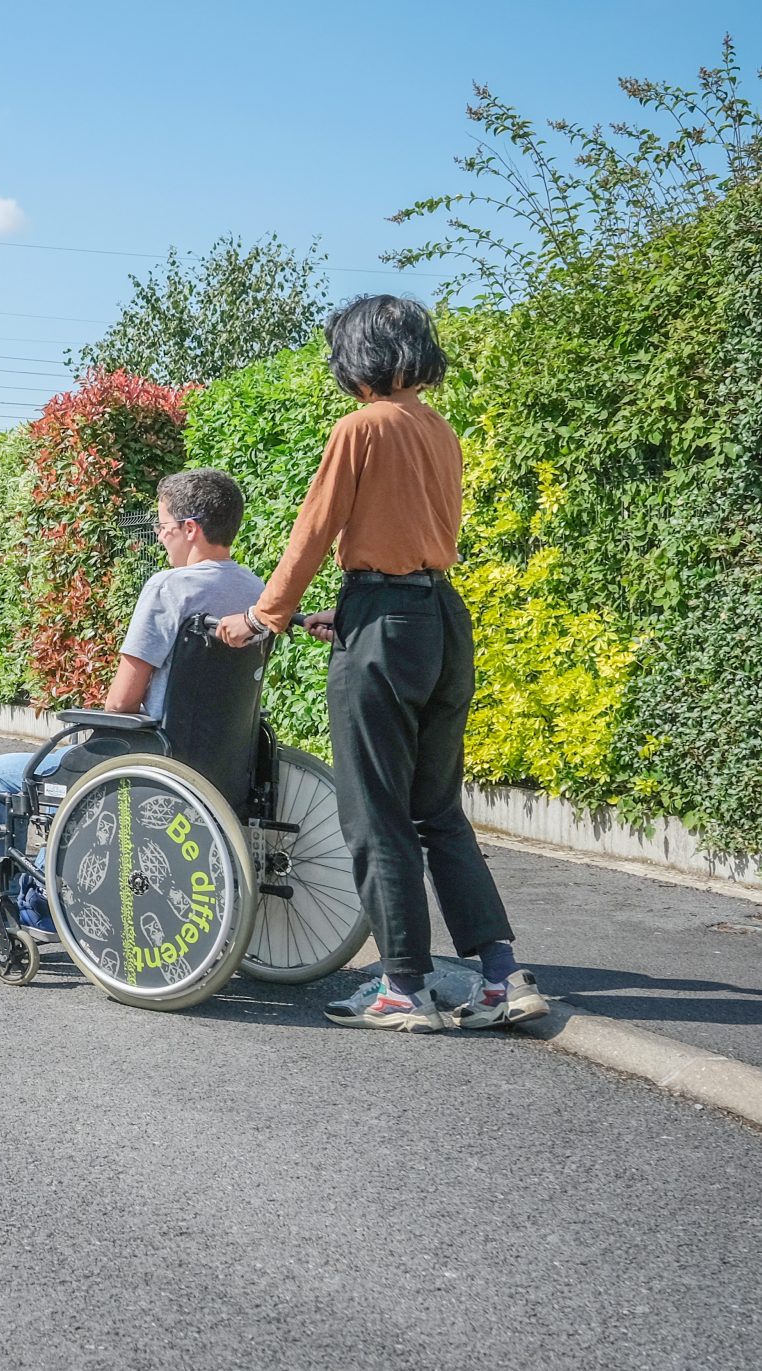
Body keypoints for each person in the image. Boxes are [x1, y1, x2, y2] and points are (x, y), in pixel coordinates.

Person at [214, 295, 549, 1034]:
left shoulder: (361, 427)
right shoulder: (440, 429)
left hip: (383, 621)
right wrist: (364, 610)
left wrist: (260, 618)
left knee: (374, 811)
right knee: (437, 811)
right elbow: (420, 534)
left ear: (356, 355)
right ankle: (501, 974)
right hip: (440, 618)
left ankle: (405, 986)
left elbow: (313, 533)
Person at [0, 469, 265, 946]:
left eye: (162, 525)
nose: (160, 535)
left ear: (191, 529)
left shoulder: (169, 588)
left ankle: (6, 906)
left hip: (154, 757)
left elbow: (122, 701)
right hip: (222, 762)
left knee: (4, 772)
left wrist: (98, 714)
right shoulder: (256, 591)